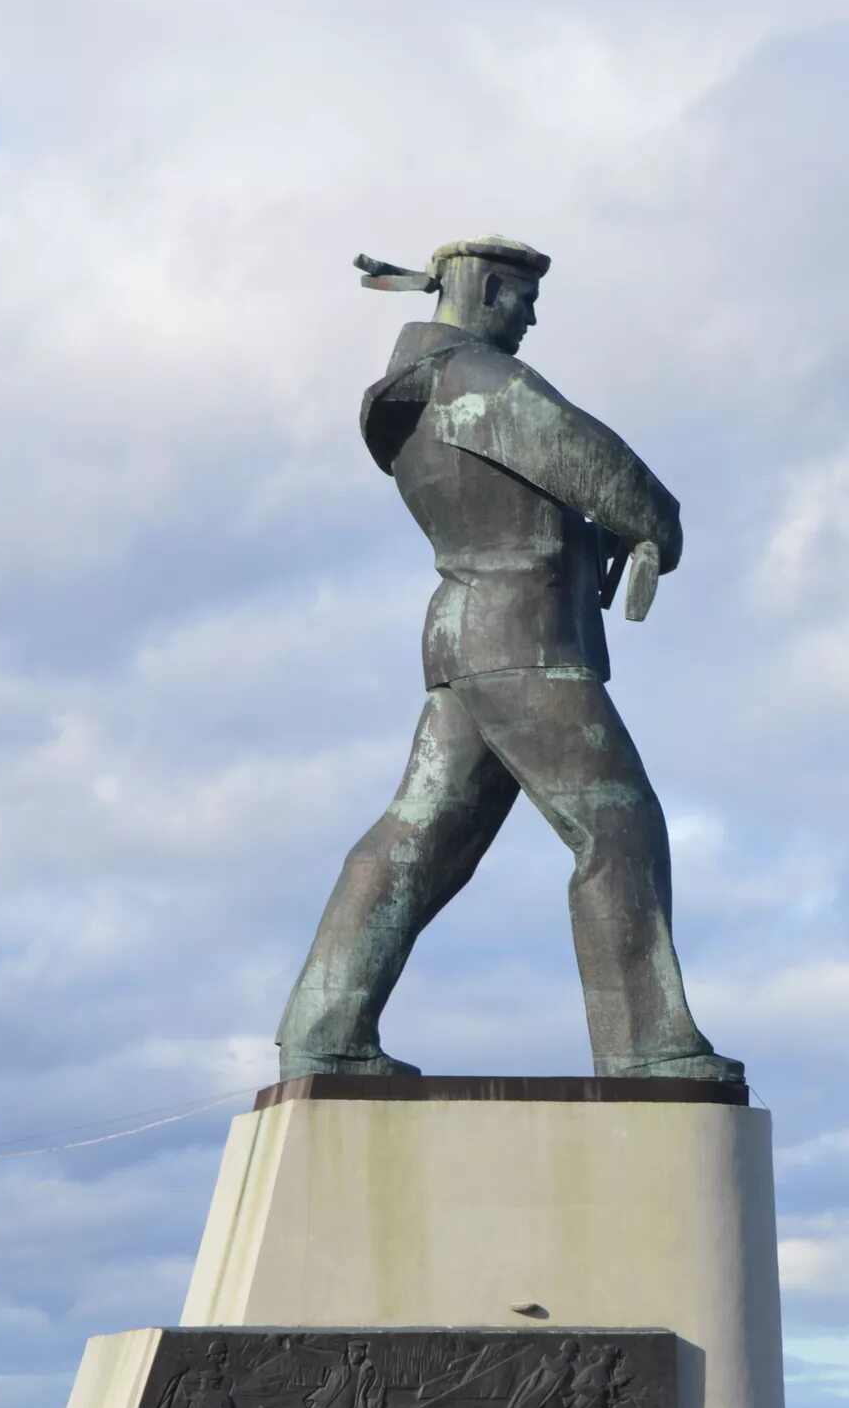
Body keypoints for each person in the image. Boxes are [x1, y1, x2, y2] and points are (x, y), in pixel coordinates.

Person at [274, 236, 737, 1085]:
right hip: (523, 643)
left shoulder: (419, 396)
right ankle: (646, 1047)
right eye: (521, 298)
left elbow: (513, 498)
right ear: (485, 288)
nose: (530, 317)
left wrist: (594, 535)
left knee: (420, 838)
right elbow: (585, 455)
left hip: (465, 640)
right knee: (618, 825)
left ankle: (325, 1029)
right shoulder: (473, 380)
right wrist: (654, 524)